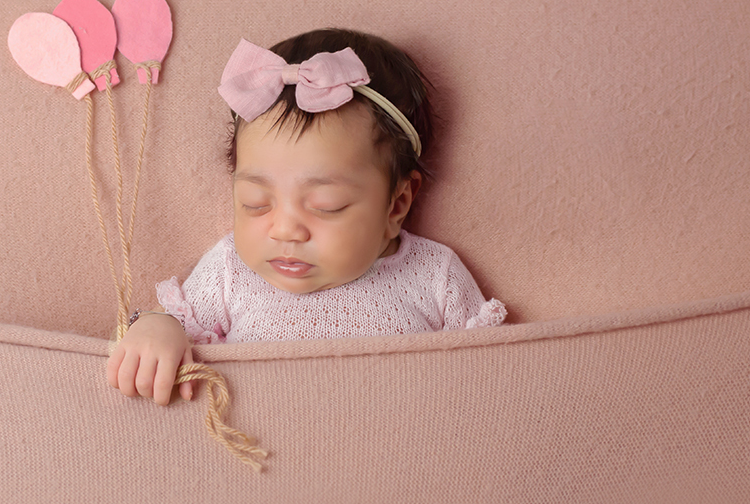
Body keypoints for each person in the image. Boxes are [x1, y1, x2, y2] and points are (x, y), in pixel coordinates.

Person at [106, 28, 506, 405]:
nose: (285, 229)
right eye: (255, 202)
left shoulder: (435, 275)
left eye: (326, 206)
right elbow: (178, 322)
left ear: (397, 205)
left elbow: (491, 374)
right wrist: (157, 329)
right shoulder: (230, 269)